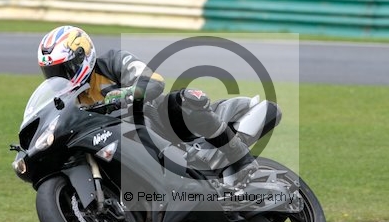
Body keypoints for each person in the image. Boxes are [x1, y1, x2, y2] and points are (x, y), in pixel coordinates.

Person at [37, 25, 258, 186]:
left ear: (82, 57)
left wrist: (125, 94)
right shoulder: (67, 99)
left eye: (63, 69)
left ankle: (240, 158)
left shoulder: (113, 61)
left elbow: (154, 82)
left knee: (189, 100)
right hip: (113, 143)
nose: (59, 77)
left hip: (154, 118)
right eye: (52, 72)